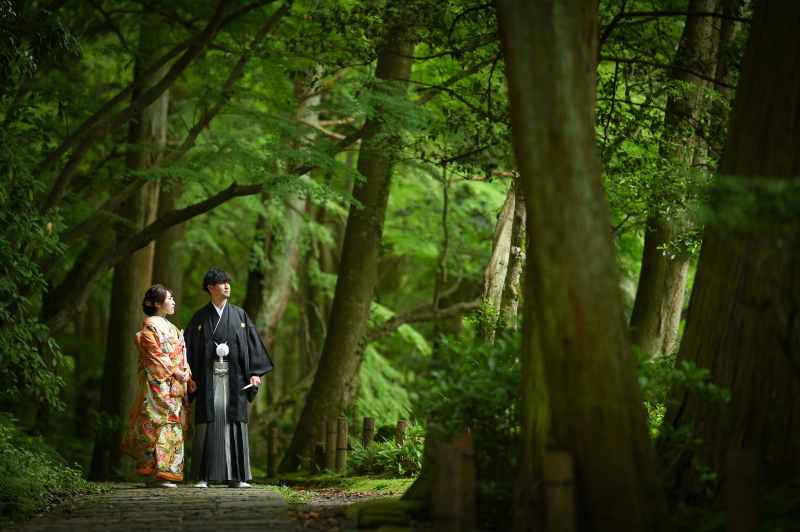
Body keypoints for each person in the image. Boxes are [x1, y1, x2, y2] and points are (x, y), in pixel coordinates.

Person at [186, 268, 274, 488]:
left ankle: (237, 477)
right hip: (207, 379)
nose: (227, 286)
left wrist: (255, 372)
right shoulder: (199, 317)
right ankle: (202, 476)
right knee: (208, 423)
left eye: (228, 282)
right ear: (210, 288)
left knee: (234, 423)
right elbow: (186, 350)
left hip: (235, 380)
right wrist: (189, 377)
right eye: (222, 283)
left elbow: (253, 344)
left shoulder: (240, 315)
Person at [120, 284, 195, 488]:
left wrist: (187, 374)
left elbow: (181, 355)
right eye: (170, 298)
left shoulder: (171, 327)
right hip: (158, 385)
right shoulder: (149, 329)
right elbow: (155, 356)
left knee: (175, 425)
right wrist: (174, 371)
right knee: (157, 423)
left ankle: (163, 473)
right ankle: (157, 473)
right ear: (158, 303)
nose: (173, 302)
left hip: (175, 386)